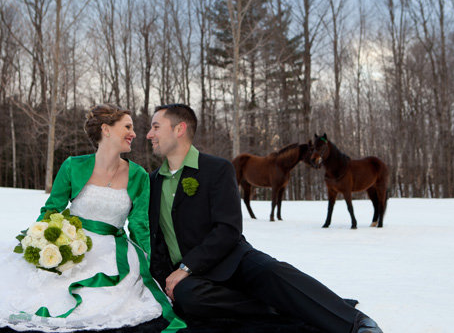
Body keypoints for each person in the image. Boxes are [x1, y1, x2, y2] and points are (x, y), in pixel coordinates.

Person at [0, 103, 185, 333]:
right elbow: (51, 210)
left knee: (103, 301)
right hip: (74, 242)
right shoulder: (73, 166)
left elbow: (139, 224)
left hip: (113, 251)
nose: (134, 133)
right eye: (127, 126)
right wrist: (43, 240)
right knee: (28, 287)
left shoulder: (137, 175)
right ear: (106, 130)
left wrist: (146, 261)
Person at [146, 103, 383, 333]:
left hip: (233, 259)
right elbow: (157, 240)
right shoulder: (154, 181)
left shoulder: (217, 169)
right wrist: (165, 278)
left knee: (274, 272)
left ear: (179, 129)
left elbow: (228, 229)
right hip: (193, 279)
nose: (149, 134)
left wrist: (188, 266)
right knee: (189, 298)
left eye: (156, 127)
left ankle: (355, 323)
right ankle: (279, 306)